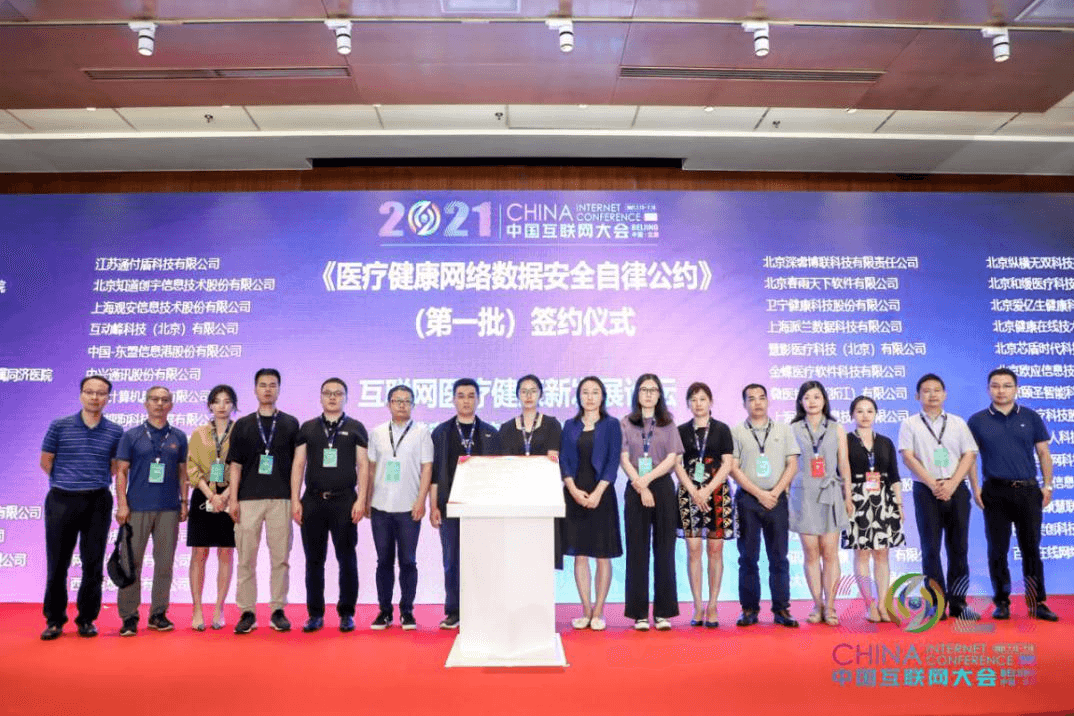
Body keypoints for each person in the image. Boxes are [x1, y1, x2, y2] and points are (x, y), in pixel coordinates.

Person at [968, 368, 1059, 622]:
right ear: (988, 389)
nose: (1001, 391)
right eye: (995, 386)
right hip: (995, 491)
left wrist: (1048, 485)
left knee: (1031, 549)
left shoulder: (1030, 417)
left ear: (1016, 389)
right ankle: (1002, 602)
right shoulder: (977, 421)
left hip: (1028, 491)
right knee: (997, 550)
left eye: (1007, 386)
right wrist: (975, 488)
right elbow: (970, 458)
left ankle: (1037, 602)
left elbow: (1044, 453)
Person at [39, 376, 124, 640]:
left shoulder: (115, 431)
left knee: (93, 563)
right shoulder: (60, 426)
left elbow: (114, 467)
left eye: (101, 393)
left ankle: (86, 619)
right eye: (89, 392)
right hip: (61, 499)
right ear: (81, 395)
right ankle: (54, 620)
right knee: (57, 564)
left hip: (97, 501)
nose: (95, 397)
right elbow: (46, 461)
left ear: (108, 398)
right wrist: (69, 481)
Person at [898, 373, 980, 621]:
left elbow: (969, 454)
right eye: (926, 391)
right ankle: (936, 603)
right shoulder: (910, 424)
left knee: (959, 548)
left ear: (944, 394)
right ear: (917, 396)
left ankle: (958, 603)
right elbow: (908, 457)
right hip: (926, 490)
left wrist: (952, 483)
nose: (932, 395)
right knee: (930, 549)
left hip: (957, 488)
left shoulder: (957, 423)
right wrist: (933, 484)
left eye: (936, 390)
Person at [290, 378, 369, 633]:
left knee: (347, 559)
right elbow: (298, 465)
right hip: (313, 501)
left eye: (338, 393)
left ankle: (346, 613)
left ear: (346, 398)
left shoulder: (356, 427)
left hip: (344, 501)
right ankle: (315, 614)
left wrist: (361, 499)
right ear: (321, 397)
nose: (332, 397)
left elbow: (363, 466)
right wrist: (295, 500)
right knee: (314, 560)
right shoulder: (308, 428)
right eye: (328, 393)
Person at [227, 368, 301, 634]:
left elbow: (298, 466)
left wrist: (295, 499)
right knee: (246, 558)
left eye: (272, 385)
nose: (267, 389)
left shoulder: (291, 424)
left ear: (279, 389)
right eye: (262, 385)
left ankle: (278, 609)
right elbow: (235, 465)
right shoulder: (243, 425)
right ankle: (247, 611)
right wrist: (233, 499)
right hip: (248, 500)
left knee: (280, 558)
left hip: (281, 499)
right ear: (255, 389)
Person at [115, 386, 189, 636]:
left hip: (169, 508)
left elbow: (182, 472)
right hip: (136, 508)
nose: (159, 404)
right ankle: (129, 616)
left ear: (171, 405)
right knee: (131, 563)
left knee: (165, 564)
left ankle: (158, 614)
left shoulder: (178, 436)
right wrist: (122, 504)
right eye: (154, 399)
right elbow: (121, 472)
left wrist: (184, 502)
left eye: (164, 400)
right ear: (146, 404)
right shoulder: (132, 435)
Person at [430, 378, 501, 630]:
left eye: (471, 396)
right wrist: (433, 506)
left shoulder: (491, 432)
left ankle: (482, 609)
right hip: (450, 506)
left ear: (478, 400)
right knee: (452, 561)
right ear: (453, 400)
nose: (466, 401)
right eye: (461, 396)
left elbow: (498, 473)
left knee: (481, 560)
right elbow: (435, 474)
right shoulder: (441, 432)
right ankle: (454, 611)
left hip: (481, 507)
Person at [730, 383, 800, 628]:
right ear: (744, 404)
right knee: (748, 557)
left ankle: (782, 609)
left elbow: (792, 464)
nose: (757, 402)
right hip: (748, 500)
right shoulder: (736, 431)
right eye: (751, 398)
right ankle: (749, 609)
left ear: (768, 401)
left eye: (761, 397)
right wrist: (759, 494)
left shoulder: (783, 429)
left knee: (779, 557)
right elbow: (733, 468)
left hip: (777, 499)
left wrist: (775, 492)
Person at [366, 384, 433, 630]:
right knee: (383, 561)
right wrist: (366, 499)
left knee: (408, 561)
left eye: (406, 401)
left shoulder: (422, 432)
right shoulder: (377, 432)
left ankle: (407, 611)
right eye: (397, 400)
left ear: (413, 405)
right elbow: (371, 468)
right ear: (388, 404)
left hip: (408, 508)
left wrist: (421, 501)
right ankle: (384, 611)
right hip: (380, 507)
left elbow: (427, 467)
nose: (402, 405)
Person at [620, 373, 684, 631]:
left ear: (659, 395)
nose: (648, 394)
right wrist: (640, 483)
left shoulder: (668, 423)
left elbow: (672, 459)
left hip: (662, 486)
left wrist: (647, 481)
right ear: (637, 393)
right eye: (644, 389)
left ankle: (663, 612)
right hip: (635, 486)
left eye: (653, 390)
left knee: (664, 550)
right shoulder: (626, 422)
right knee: (637, 550)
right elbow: (624, 458)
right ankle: (639, 614)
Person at [560, 376, 622, 631]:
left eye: (595, 392)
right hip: (575, 494)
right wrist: (573, 489)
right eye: (585, 392)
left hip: (602, 495)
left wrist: (598, 492)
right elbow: (564, 460)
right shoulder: (570, 425)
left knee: (602, 555)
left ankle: (599, 611)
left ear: (603, 396)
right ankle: (586, 610)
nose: (590, 397)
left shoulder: (612, 424)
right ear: (579, 397)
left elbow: (613, 461)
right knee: (580, 555)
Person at [789, 380, 852, 626]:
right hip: (803, 494)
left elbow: (843, 464)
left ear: (824, 400)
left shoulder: (836, 428)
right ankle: (817, 604)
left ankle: (831, 605)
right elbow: (788, 464)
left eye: (816, 396)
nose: (812, 401)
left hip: (830, 493)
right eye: (807, 397)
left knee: (830, 552)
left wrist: (848, 495)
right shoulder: (793, 429)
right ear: (800, 402)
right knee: (811, 553)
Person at [674, 382, 734, 628]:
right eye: (693, 399)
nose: (698, 404)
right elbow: (677, 464)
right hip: (689, 494)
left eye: (702, 399)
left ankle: (713, 604)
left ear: (710, 402)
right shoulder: (680, 430)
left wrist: (707, 490)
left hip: (717, 494)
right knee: (693, 550)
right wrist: (694, 491)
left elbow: (727, 463)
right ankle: (698, 605)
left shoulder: (722, 429)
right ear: (688, 404)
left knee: (715, 550)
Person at [841, 395, 904, 623]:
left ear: (876, 414)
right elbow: (842, 473)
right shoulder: (845, 440)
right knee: (862, 552)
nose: (865, 415)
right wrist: (847, 499)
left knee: (882, 553)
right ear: (852, 414)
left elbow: (894, 475)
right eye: (859, 411)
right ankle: (869, 605)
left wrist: (899, 503)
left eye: (869, 411)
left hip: (884, 499)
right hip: (856, 499)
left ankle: (884, 604)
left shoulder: (885, 442)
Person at [186, 384, 238, 631]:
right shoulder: (199, 433)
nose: (222, 406)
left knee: (226, 552)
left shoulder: (240, 432)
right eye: (217, 401)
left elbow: (244, 465)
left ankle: (219, 607)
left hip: (231, 495)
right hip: (203, 494)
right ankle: (197, 609)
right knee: (200, 552)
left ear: (233, 405)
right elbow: (192, 467)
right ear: (209, 405)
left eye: (227, 401)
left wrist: (224, 497)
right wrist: (210, 495)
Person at [497, 374, 564, 567]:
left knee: (542, 555)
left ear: (540, 394)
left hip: (543, 495)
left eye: (533, 391)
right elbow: (506, 465)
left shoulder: (552, 424)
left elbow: (552, 460)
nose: (528, 395)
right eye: (524, 391)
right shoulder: (506, 428)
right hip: (515, 497)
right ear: (517, 395)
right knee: (518, 555)